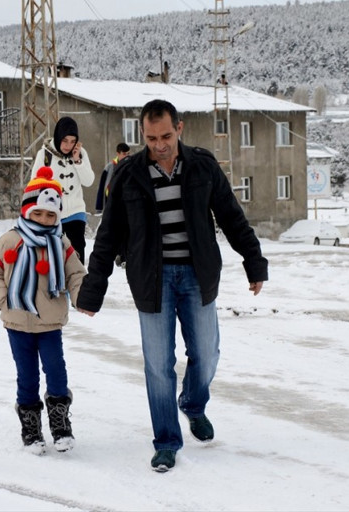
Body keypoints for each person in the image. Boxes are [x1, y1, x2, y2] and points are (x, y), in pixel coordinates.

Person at [76, 99, 268, 473]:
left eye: (165, 135)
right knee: (158, 365)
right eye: (151, 138)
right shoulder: (128, 174)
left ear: (179, 128)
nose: (159, 144)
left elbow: (232, 216)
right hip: (152, 280)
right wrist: (92, 289)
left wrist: (254, 262)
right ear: (142, 135)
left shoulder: (202, 165)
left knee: (207, 354)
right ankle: (166, 440)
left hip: (197, 275)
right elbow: (108, 236)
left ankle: (193, 405)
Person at [0, 166, 87, 454]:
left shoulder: (61, 243)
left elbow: (75, 274)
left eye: (50, 215)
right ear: (27, 211)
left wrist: (80, 298)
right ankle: (30, 429)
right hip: (16, 321)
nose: (44, 219)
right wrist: (2, 298)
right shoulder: (10, 241)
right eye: (38, 213)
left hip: (50, 322)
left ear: (57, 216)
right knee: (26, 376)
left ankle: (60, 425)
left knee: (56, 372)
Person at [31, 116, 95, 264]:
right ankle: (56, 285)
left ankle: (76, 287)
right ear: (58, 136)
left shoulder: (81, 153)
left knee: (76, 256)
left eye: (72, 141)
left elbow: (89, 181)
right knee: (54, 257)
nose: (68, 145)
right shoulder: (45, 155)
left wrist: (77, 160)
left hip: (75, 212)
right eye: (65, 140)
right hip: (52, 214)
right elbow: (34, 182)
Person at [95, 142, 131, 214]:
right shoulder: (109, 167)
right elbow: (102, 187)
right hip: (111, 202)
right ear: (118, 154)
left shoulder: (132, 167)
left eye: (128, 154)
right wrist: (99, 207)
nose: (127, 156)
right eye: (124, 154)